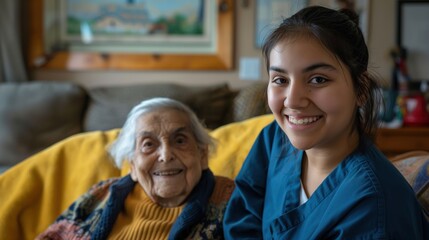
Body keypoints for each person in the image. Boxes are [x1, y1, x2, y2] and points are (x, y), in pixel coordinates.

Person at [223, 6, 429, 239]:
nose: (293, 100)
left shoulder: (372, 206)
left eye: (318, 79)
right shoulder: (274, 140)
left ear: (361, 91)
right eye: (280, 79)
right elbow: (241, 219)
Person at [37, 97, 235, 239]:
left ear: (202, 155)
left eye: (180, 140)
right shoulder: (101, 193)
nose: (166, 155)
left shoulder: (231, 198)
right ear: (132, 163)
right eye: (148, 144)